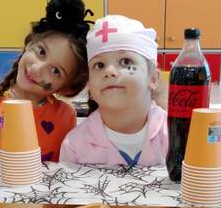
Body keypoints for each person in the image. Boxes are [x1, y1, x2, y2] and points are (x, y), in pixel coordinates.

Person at [0, 0, 93, 162]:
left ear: (66, 87)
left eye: (56, 71)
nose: (37, 69)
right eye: (41, 52)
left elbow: (61, 173)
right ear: (29, 44)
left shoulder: (65, 116)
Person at [59, 15, 167, 167]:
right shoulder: (75, 146)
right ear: (89, 83)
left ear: (153, 79)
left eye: (125, 61)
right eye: (99, 65)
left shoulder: (175, 136)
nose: (109, 71)